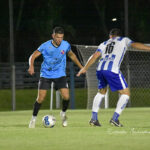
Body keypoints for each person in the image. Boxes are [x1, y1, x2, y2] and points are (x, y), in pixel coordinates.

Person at [77, 28, 150, 127]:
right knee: (126, 94)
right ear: (119, 35)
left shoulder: (104, 43)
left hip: (100, 69)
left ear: (110, 36)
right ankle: (115, 119)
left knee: (101, 92)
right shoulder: (124, 40)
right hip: (112, 70)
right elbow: (134, 44)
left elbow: (94, 56)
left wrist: (85, 68)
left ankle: (94, 119)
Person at [28, 26, 83, 128]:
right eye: (57, 37)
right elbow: (33, 55)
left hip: (60, 74)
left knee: (66, 96)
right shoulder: (45, 46)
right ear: (53, 36)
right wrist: (31, 66)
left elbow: (72, 55)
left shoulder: (65, 45)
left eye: (61, 37)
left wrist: (81, 67)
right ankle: (33, 119)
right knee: (41, 98)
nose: (59, 40)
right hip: (46, 74)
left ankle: (63, 113)